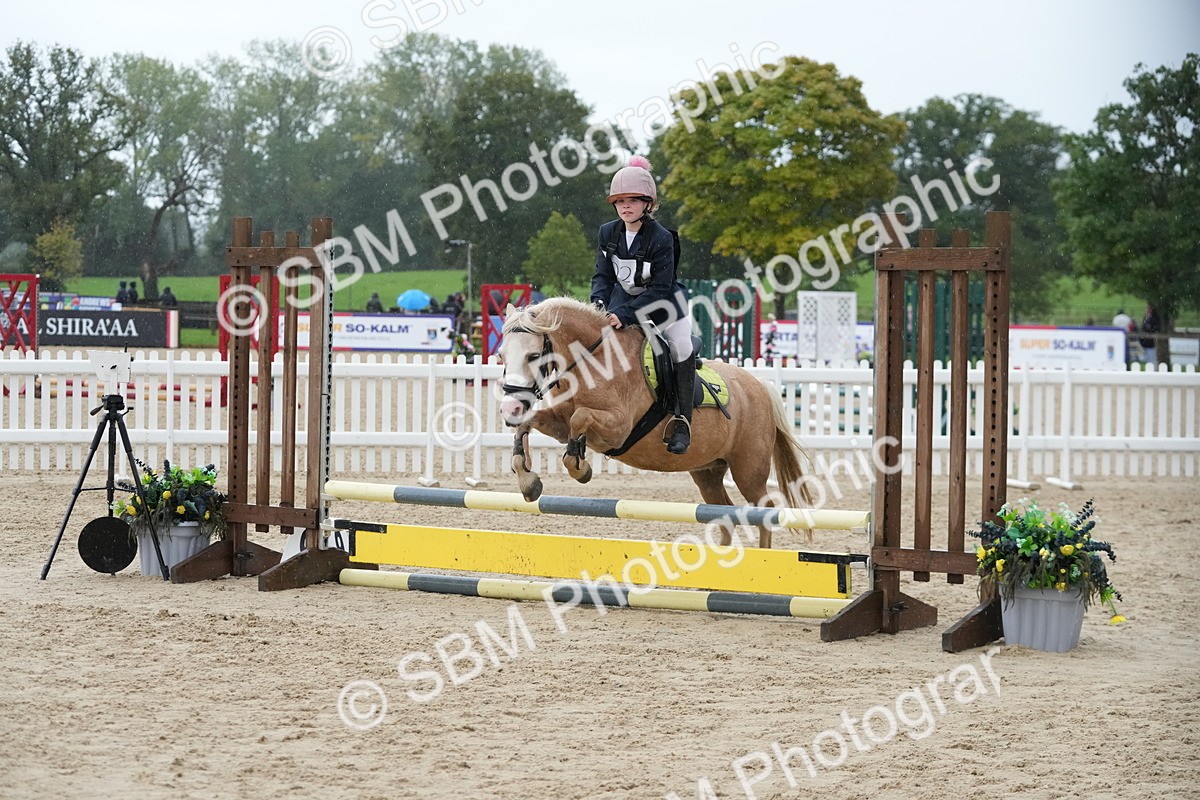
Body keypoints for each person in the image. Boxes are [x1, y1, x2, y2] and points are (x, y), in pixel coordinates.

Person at [590, 155, 695, 455]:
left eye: (634, 200)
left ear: (648, 204)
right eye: (620, 201)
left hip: (663, 304)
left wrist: (623, 313)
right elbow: (602, 276)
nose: (625, 206)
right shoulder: (607, 233)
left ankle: (682, 420)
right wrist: (598, 305)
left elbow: (661, 289)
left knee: (681, 346)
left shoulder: (662, 238)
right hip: (622, 301)